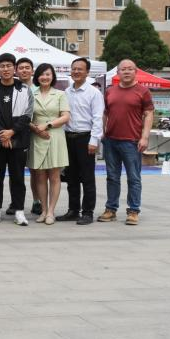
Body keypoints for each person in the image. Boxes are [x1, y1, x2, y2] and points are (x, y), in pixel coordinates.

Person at [99, 59, 154, 226]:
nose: (127, 71)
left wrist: (145, 137)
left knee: (134, 178)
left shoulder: (143, 91)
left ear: (135, 72)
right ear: (118, 73)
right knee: (112, 177)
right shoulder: (110, 91)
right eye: (123, 69)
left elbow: (149, 114)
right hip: (111, 141)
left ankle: (133, 211)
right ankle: (111, 209)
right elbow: (105, 113)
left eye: (130, 69)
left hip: (132, 141)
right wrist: (103, 132)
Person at [0, 54, 32, 226]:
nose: (6, 69)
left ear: (14, 68)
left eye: (9, 66)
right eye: (2, 66)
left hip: (18, 141)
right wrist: (2, 133)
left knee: (18, 178)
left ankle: (19, 211)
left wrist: (11, 132)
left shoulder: (24, 89)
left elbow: (27, 115)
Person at [58, 57, 104, 225]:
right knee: (71, 177)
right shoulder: (66, 92)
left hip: (86, 138)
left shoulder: (94, 93)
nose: (76, 71)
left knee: (87, 177)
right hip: (68, 138)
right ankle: (73, 210)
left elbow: (98, 118)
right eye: (74, 69)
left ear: (87, 72)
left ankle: (88, 212)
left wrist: (94, 141)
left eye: (80, 69)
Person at [27, 63, 70, 225]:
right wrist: (37, 129)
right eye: (42, 74)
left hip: (54, 136)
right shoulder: (31, 94)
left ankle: (51, 211)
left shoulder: (60, 94)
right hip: (37, 136)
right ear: (37, 77)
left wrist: (48, 125)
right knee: (39, 176)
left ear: (53, 76)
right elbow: (25, 117)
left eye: (48, 74)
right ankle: (43, 210)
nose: (45, 77)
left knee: (54, 176)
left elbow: (65, 116)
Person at [15, 56, 38, 215]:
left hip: (37, 135)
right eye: (21, 68)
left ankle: (37, 201)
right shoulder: (12, 88)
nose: (24, 70)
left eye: (27, 68)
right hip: (17, 133)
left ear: (32, 70)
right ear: (16, 71)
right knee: (16, 171)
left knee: (35, 171)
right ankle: (15, 203)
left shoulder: (39, 89)